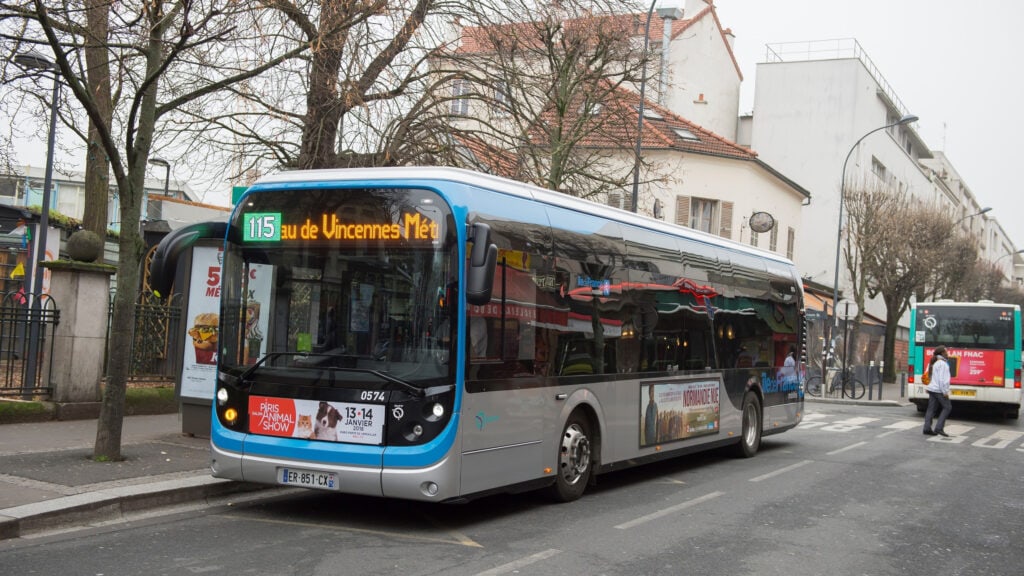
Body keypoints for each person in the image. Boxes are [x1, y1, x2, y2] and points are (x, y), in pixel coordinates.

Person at [922, 345, 952, 437]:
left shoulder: (933, 362)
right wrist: (945, 392)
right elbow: (943, 380)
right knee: (947, 407)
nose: (948, 353)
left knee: (931, 409)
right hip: (939, 390)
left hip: (932, 389)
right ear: (942, 353)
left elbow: (929, 376)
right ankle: (939, 428)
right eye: (946, 352)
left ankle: (927, 428)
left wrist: (928, 387)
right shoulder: (943, 364)